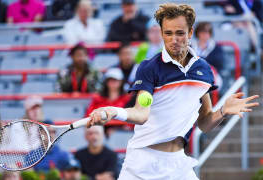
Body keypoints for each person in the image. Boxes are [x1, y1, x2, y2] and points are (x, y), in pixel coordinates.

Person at [87, 3, 260, 179]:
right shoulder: (149, 68)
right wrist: (113, 111)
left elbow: (205, 122)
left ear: (191, 33)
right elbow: (140, 113)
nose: (174, 39)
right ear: (161, 33)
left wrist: (223, 111)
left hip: (178, 163)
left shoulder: (204, 70)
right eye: (168, 33)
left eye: (180, 33)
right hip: (141, 164)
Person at [85, 68, 131, 137]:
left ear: (121, 82)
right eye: (110, 80)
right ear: (106, 82)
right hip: (98, 131)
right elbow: (89, 115)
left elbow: (131, 119)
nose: (112, 82)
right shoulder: (98, 98)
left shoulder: (128, 98)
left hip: (121, 133)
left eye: (115, 80)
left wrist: (117, 130)